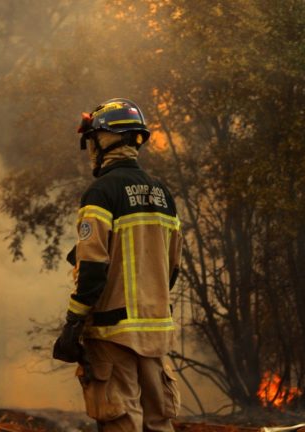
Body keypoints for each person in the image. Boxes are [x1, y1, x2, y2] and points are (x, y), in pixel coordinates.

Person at [53, 98, 183, 432]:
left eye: (92, 141)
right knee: (159, 422)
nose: (91, 151)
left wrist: (72, 323)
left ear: (106, 139)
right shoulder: (163, 194)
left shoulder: (101, 192)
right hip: (155, 334)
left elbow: (93, 269)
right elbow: (171, 271)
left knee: (120, 421)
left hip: (113, 336)